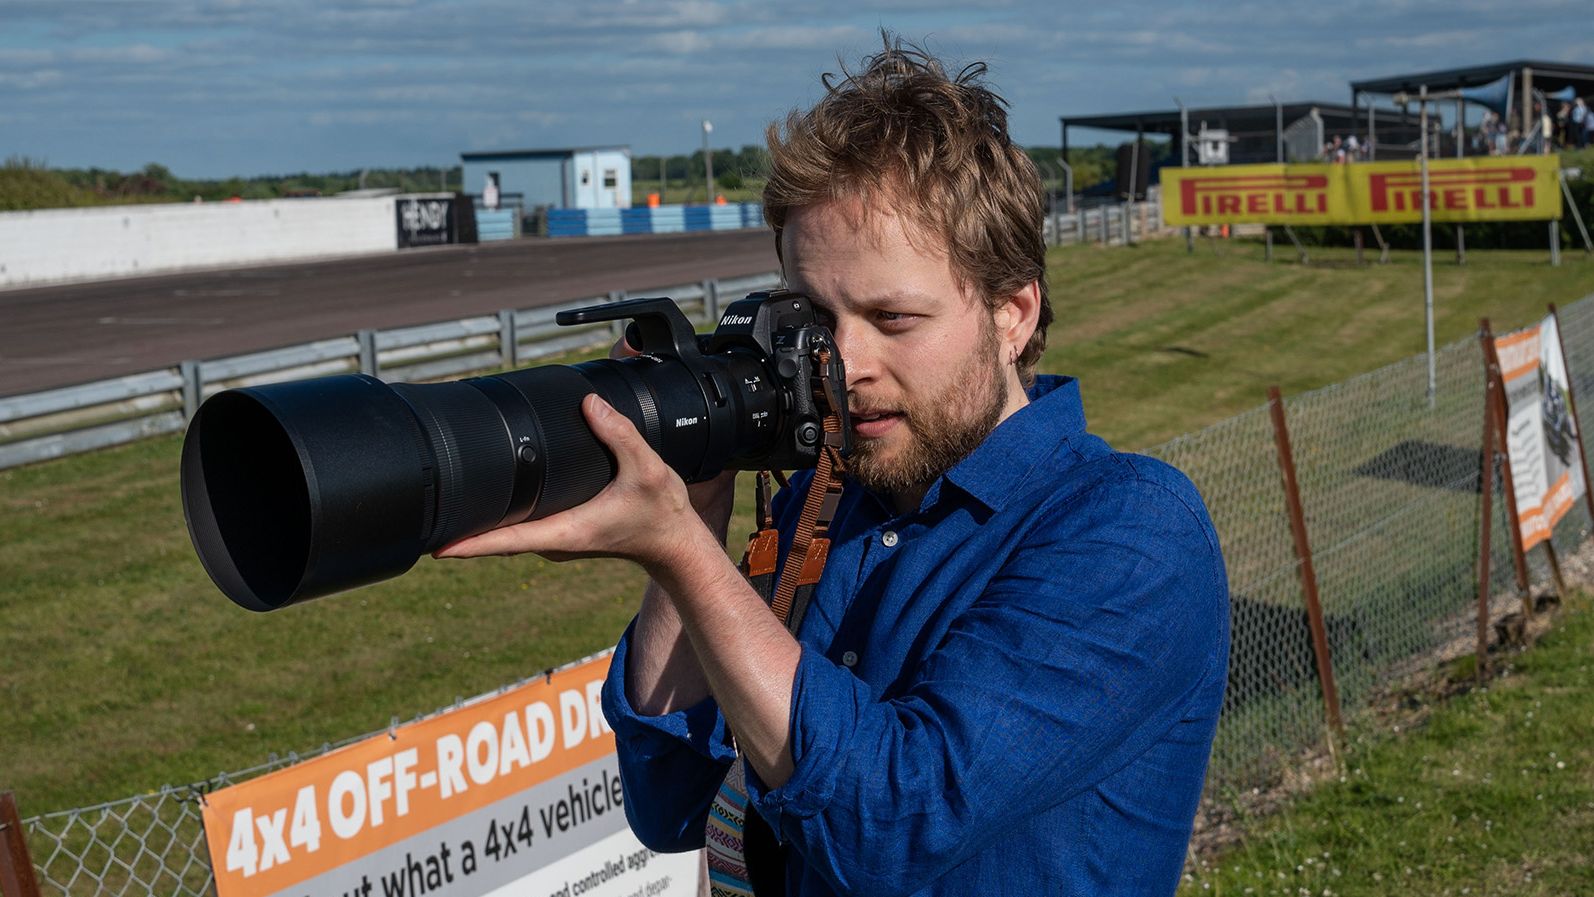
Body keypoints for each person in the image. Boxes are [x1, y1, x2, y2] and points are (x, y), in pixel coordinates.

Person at [437, 38, 1229, 896]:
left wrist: (684, 556)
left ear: (1013, 312)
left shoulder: (1130, 533)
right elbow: (671, 800)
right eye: (816, 317)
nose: (843, 368)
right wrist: (693, 504)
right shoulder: (827, 509)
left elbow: (891, 824)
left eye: (892, 318)